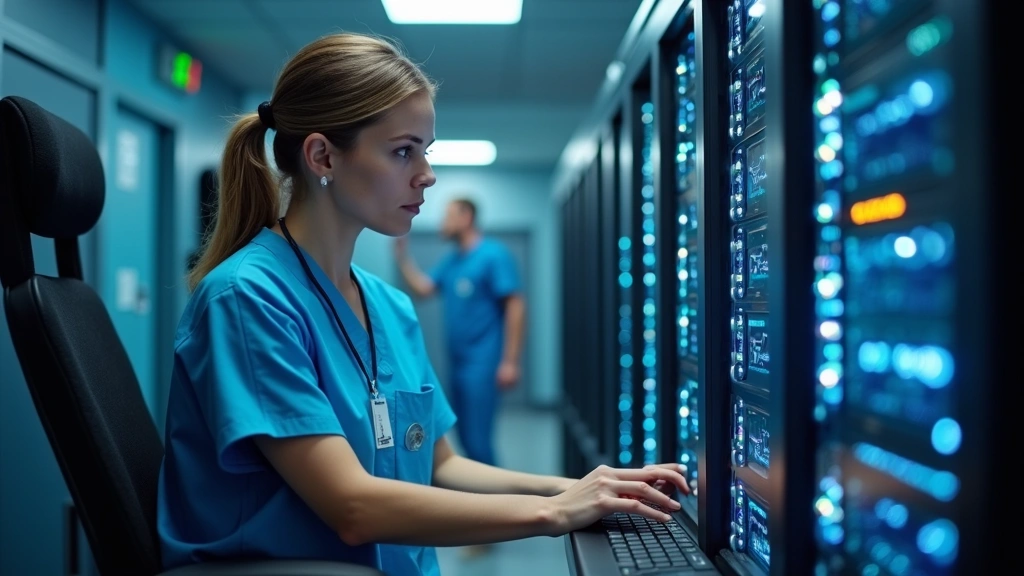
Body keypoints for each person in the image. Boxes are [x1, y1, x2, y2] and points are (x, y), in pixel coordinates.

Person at [157, 32, 690, 576]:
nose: (427, 175)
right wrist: (553, 512)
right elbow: (353, 508)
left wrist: (584, 486)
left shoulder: (388, 306)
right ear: (323, 156)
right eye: (403, 151)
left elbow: (444, 465)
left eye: (426, 152)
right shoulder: (249, 299)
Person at [394, 198, 523, 472]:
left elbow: (515, 305)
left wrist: (510, 361)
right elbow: (423, 288)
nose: (443, 223)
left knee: (478, 442)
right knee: (463, 439)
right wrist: (403, 258)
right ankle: (480, 503)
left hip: (483, 364)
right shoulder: (453, 260)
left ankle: (497, 507)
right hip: (458, 363)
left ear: (466, 217)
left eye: (448, 216)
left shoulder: (493, 255)